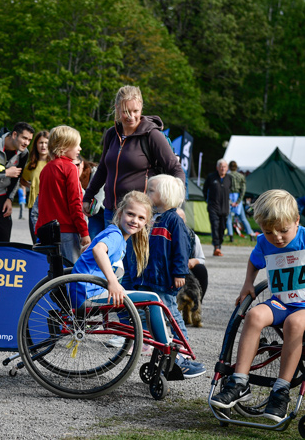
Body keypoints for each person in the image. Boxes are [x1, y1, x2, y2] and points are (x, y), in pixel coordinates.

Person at [210, 189, 305, 422]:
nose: (277, 237)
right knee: (253, 315)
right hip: (281, 301)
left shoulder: (303, 238)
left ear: (296, 221)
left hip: (303, 306)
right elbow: (253, 262)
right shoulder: (264, 243)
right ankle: (239, 382)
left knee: (294, 323)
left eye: (283, 231)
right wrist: (247, 285)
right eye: (268, 231)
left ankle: (281, 390)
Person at [70, 191, 170, 356]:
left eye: (140, 218)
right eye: (130, 214)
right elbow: (98, 250)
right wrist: (112, 281)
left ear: (146, 222)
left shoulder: (114, 233)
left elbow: (91, 249)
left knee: (147, 299)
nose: (134, 221)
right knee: (153, 299)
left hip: (86, 291)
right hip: (88, 294)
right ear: (119, 212)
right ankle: (167, 350)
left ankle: (161, 346)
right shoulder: (116, 236)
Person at [126, 174, 205, 378]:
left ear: (166, 194)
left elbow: (182, 248)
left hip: (163, 280)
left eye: (151, 190)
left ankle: (183, 353)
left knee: (170, 314)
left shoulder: (173, 220)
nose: (146, 193)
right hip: (148, 278)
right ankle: (162, 349)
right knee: (153, 315)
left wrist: (180, 272)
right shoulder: (152, 218)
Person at [83, 85, 184, 226]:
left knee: (132, 250)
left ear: (141, 108)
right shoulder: (112, 134)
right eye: (126, 111)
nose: (131, 116)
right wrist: (88, 196)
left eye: (135, 111)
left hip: (138, 214)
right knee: (110, 249)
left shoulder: (152, 135)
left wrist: (176, 204)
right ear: (117, 108)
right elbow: (103, 170)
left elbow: (175, 169)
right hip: (111, 212)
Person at [35, 126, 90, 264]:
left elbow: (42, 203)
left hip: (47, 231)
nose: (80, 149)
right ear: (65, 147)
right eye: (77, 145)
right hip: (67, 231)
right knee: (71, 273)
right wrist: (84, 232)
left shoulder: (46, 168)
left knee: (54, 273)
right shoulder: (70, 168)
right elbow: (75, 203)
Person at [20, 130, 50, 242]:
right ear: (36, 145)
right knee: (36, 240)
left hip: (50, 206)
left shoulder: (54, 163)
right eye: (40, 143)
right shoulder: (31, 165)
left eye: (46, 143)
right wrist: (30, 186)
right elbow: (22, 180)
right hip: (34, 207)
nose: (43, 146)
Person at [177, 207, 209, 301]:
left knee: (200, 269)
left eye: (181, 219)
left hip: (186, 269)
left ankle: (197, 303)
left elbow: (201, 258)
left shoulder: (192, 236)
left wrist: (194, 261)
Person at [203, 159, 231, 256]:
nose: (223, 168)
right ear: (217, 168)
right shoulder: (211, 177)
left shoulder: (229, 178)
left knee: (222, 228)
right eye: (221, 167)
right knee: (215, 226)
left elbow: (232, 190)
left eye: (224, 167)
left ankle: (219, 243)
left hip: (225, 208)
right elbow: (204, 190)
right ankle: (216, 247)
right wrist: (208, 201)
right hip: (213, 207)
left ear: (227, 168)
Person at [227, 160, 257, 242]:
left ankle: (231, 236)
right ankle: (251, 234)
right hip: (238, 197)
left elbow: (226, 189)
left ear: (229, 167)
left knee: (229, 218)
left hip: (229, 197)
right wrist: (238, 201)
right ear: (236, 167)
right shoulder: (241, 176)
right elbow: (243, 190)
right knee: (243, 218)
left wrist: (230, 201)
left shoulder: (227, 176)